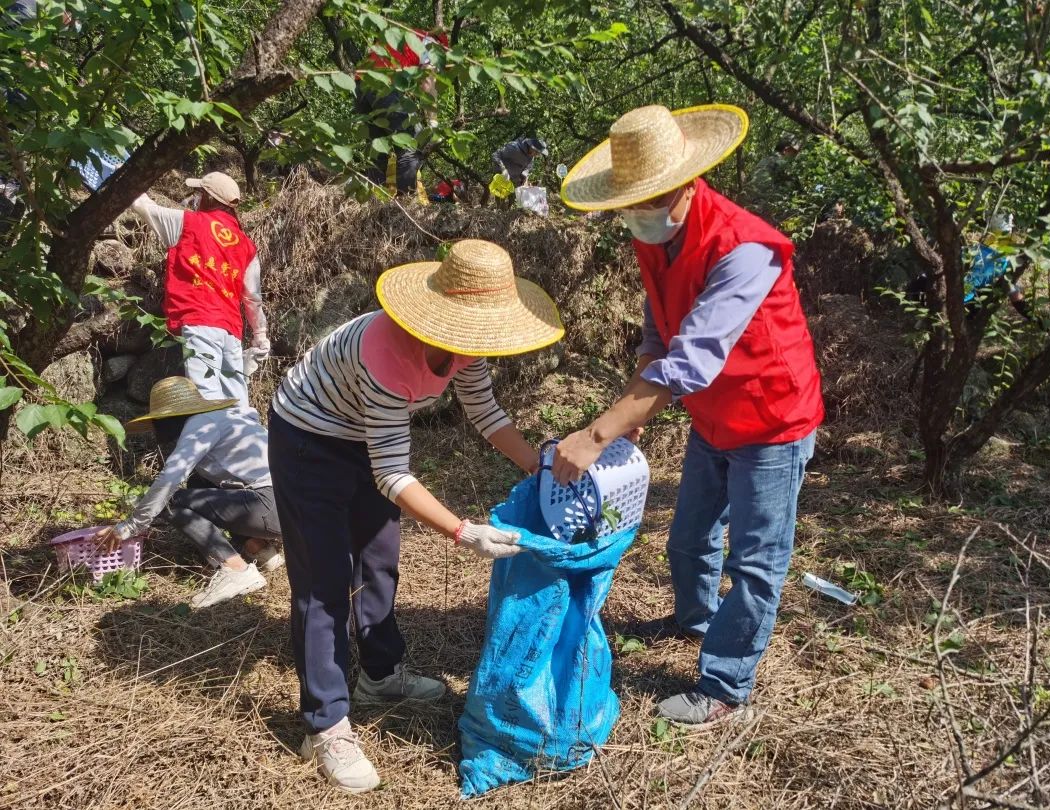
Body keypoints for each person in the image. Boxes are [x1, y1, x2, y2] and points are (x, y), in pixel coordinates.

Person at [557, 104, 823, 728]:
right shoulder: (659, 234)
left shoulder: (743, 247)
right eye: (630, 202)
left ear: (684, 184)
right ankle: (694, 620)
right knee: (689, 538)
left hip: (770, 417)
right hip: (713, 418)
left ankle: (726, 684)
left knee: (756, 562)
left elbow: (693, 359)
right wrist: (632, 407)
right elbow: (659, 329)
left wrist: (601, 431)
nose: (636, 213)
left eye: (647, 199)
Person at [267, 239, 563, 794]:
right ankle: (326, 722)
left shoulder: (466, 342)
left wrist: (536, 467)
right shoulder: (383, 352)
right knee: (323, 579)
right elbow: (394, 476)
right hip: (309, 437)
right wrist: (463, 530)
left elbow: (483, 408)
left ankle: (379, 673)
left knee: (380, 559)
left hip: (363, 438)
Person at [93, 377, 284, 608]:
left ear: (170, 417)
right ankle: (261, 550)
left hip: (271, 506)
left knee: (171, 501)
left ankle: (236, 570)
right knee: (199, 480)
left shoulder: (201, 425)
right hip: (290, 505)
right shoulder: (228, 417)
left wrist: (130, 526)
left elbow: (169, 479)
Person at [129, 171, 269, 407]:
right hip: (231, 329)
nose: (196, 198)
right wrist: (260, 334)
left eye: (200, 193)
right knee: (237, 398)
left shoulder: (187, 223)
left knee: (206, 398)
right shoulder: (246, 245)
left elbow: (145, 207)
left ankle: (206, 442)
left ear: (210, 198)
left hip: (199, 321)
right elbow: (252, 297)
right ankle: (248, 440)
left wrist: (126, 182)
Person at [354, 29, 444, 195]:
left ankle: (375, 205)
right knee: (411, 145)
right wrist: (433, 122)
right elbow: (427, 83)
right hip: (383, 85)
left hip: (360, 87)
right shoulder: (432, 45)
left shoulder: (406, 37)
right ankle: (405, 208)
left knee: (378, 151)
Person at [906, 211, 1029, 319]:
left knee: (920, 281)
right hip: (967, 302)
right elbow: (1014, 294)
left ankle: (918, 316)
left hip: (949, 293)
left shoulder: (973, 249)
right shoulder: (1005, 262)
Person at [742, 134, 801, 225]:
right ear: (786, 150)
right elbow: (798, 190)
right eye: (794, 153)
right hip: (766, 212)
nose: (796, 156)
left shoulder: (764, 161)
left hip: (747, 209)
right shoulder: (784, 164)